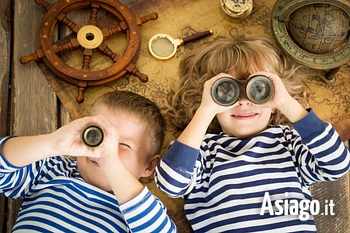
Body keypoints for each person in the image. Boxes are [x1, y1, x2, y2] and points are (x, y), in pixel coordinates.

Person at [154, 36, 350, 232]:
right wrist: (204, 111)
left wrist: (287, 103)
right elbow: (170, 183)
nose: (244, 102)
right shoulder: (203, 150)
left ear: (274, 101)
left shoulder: (288, 143)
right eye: (226, 91)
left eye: (258, 89)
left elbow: (337, 164)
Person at [0, 90, 177, 232]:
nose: (105, 148)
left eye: (123, 145)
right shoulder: (53, 169)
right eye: (98, 135)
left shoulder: (142, 208)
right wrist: (52, 144)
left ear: (149, 166)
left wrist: (111, 161)